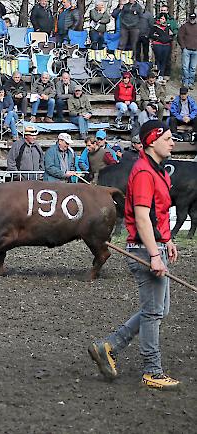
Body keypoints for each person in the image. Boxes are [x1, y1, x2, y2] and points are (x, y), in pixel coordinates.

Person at [88, 120, 180, 390]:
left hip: (155, 245)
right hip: (144, 249)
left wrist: (167, 240)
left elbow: (157, 214)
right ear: (152, 141)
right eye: (168, 138)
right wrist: (154, 254)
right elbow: (141, 217)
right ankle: (152, 370)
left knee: (159, 309)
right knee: (153, 313)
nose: (173, 142)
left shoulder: (158, 171)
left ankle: (109, 345)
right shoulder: (142, 172)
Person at [151, 14, 173, 78]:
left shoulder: (168, 27)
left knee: (164, 60)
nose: (161, 20)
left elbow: (171, 35)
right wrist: (159, 38)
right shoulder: (155, 26)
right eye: (161, 18)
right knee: (158, 60)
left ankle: (161, 75)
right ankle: (157, 74)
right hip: (158, 45)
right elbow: (151, 35)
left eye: (163, 19)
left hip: (166, 45)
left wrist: (167, 39)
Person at [178, 12, 197, 89]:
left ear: (195, 18)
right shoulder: (184, 26)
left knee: (193, 67)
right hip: (186, 49)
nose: (192, 20)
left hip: (195, 50)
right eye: (191, 18)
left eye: (194, 18)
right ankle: (185, 82)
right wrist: (183, 47)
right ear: (189, 18)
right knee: (185, 67)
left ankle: (191, 83)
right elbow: (180, 36)